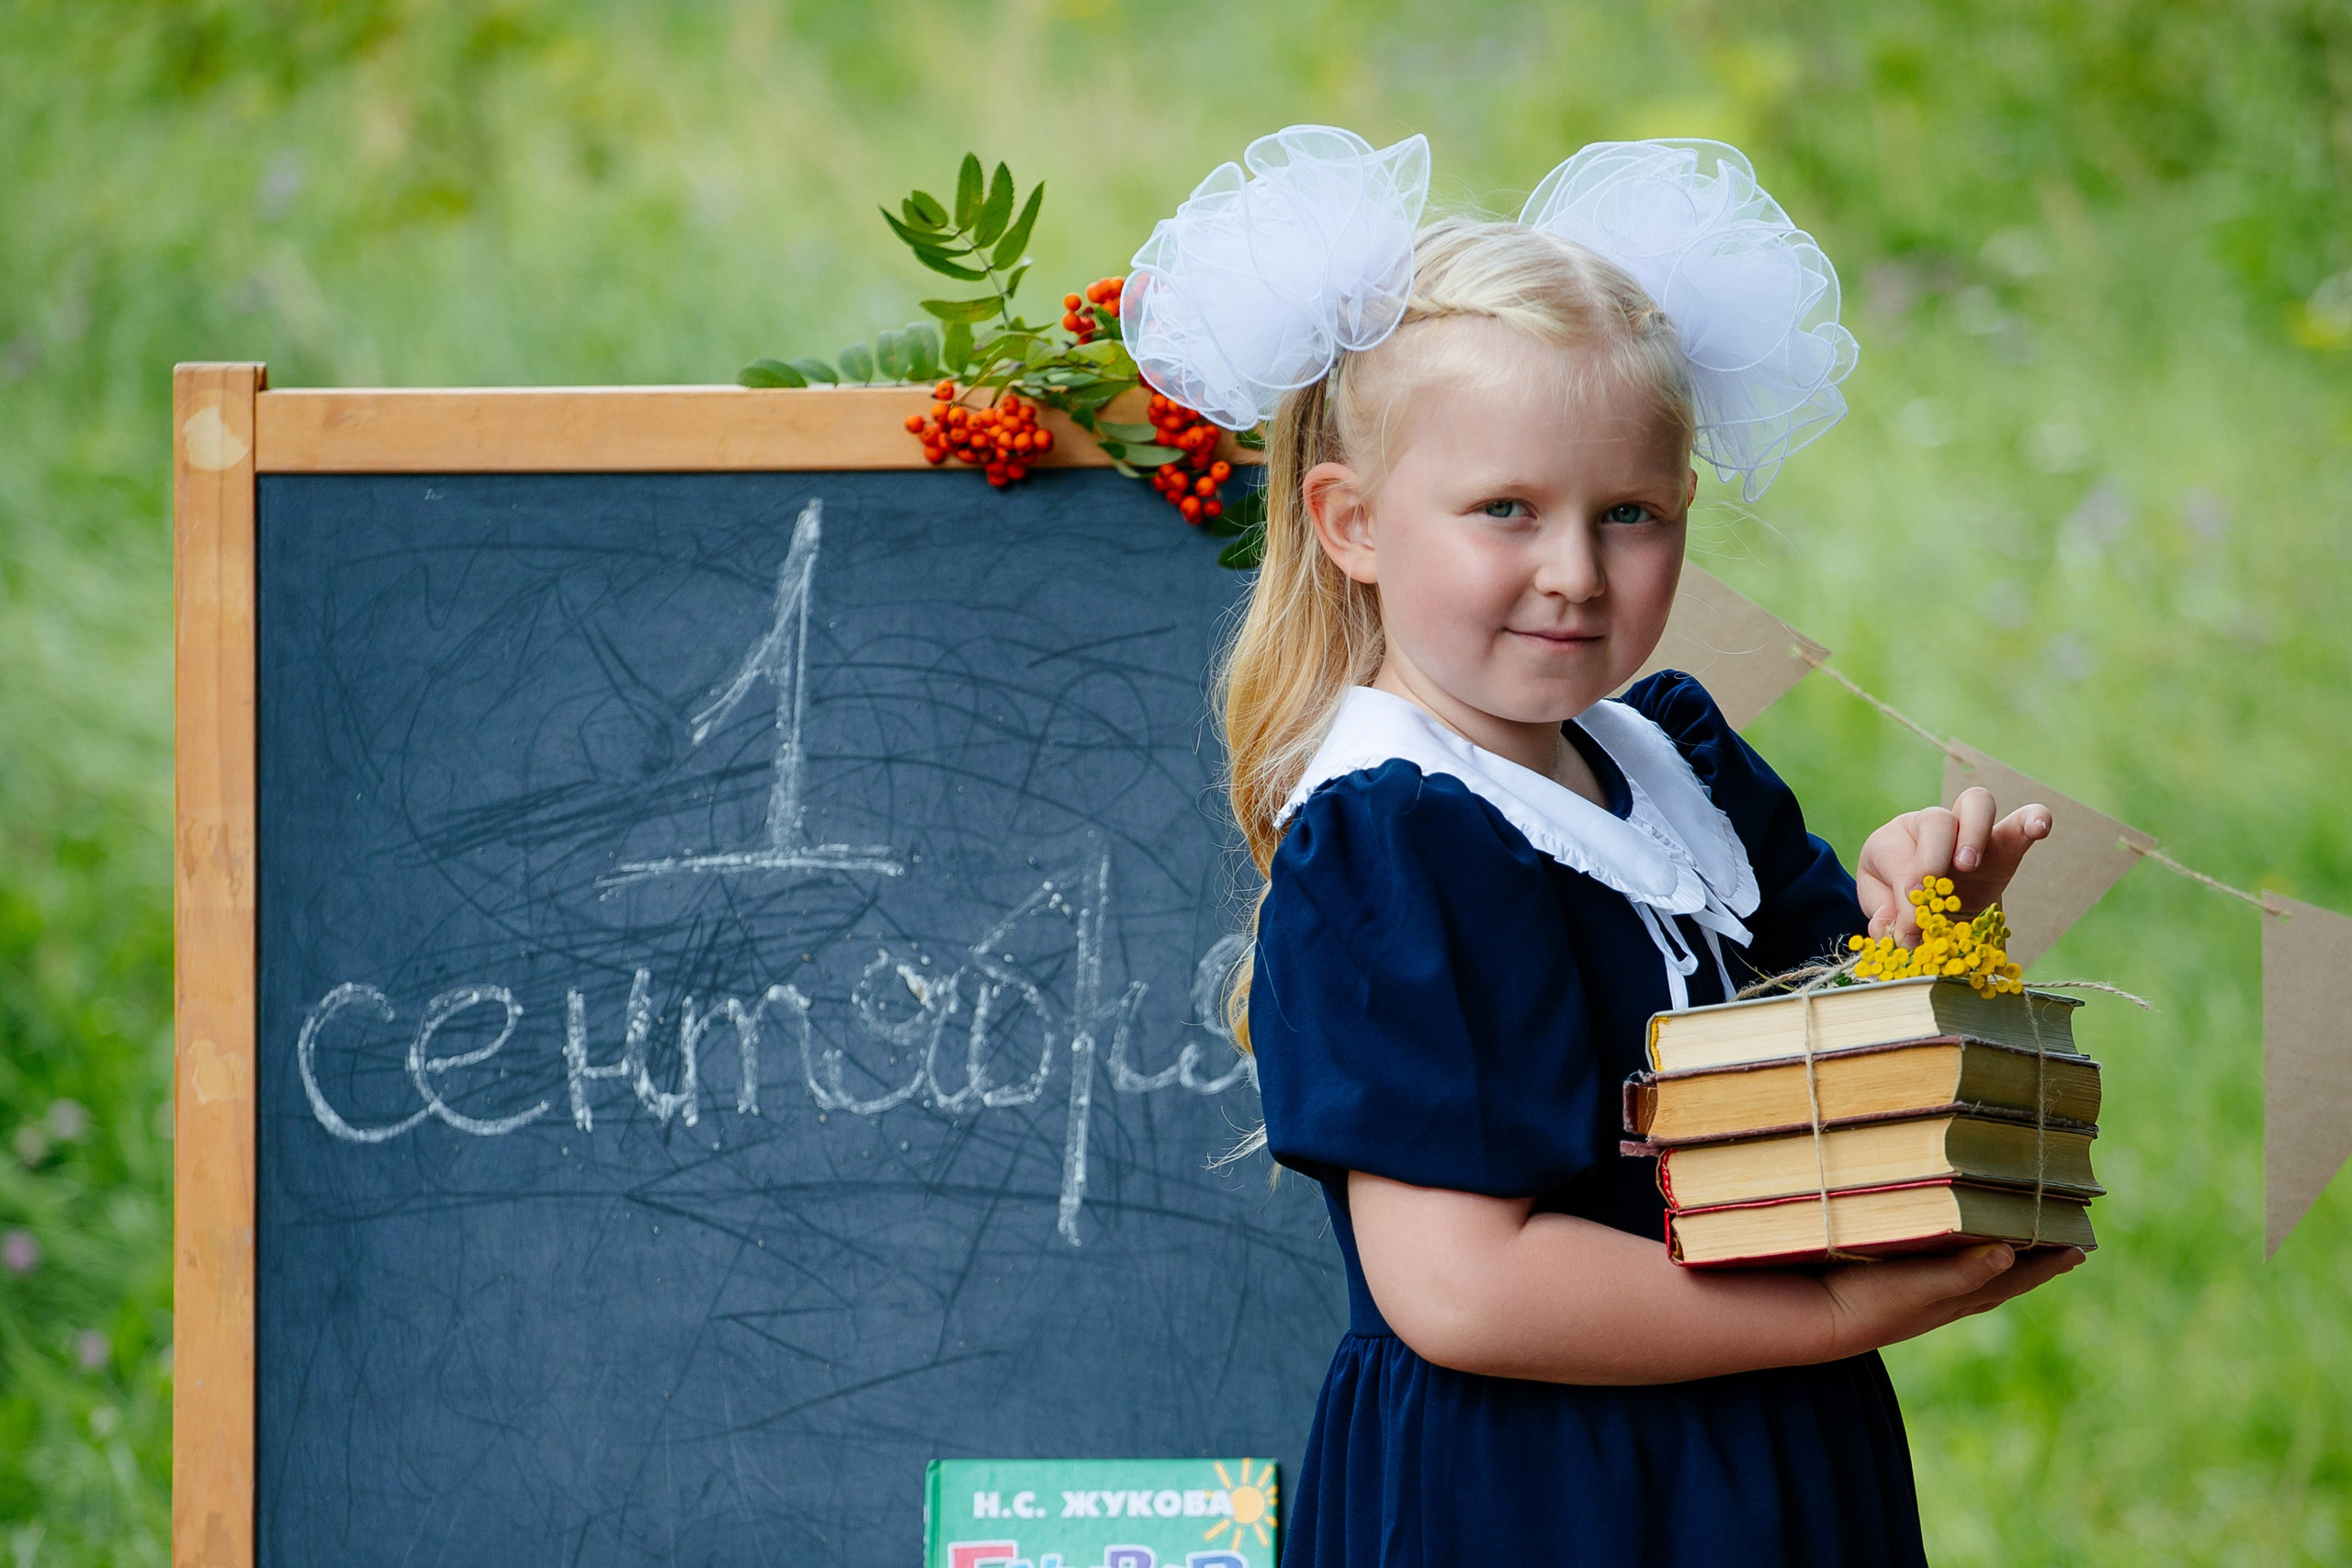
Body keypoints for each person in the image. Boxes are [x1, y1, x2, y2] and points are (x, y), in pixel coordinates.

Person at [1121, 130, 2079, 1566]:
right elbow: (1463, 1292)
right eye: (1505, 510)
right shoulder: (1393, 836)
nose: (1573, 573)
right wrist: (1823, 1316)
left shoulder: (1675, 758)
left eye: (1630, 514)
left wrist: (1920, 939)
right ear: (1353, 523)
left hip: (1766, 1450)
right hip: (1541, 1490)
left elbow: (1818, 1102)